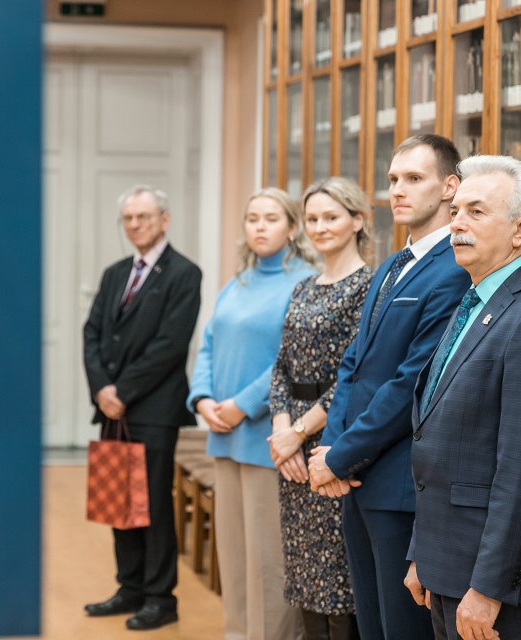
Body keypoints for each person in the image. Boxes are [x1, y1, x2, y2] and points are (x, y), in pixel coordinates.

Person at [403, 155, 521, 640]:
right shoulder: (475, 300)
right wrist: (423, 552)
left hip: (493, 580)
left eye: (476, 212)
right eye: (456, 210)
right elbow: (438, 441)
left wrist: (488, 588)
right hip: (447, 558)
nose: (457, 223)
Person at [308, 135, 471, 640]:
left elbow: (411, 385)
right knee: (371, 626)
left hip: (400, 483)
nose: (398, 191)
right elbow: (352, 364)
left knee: (402, 629)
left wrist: (339, 456)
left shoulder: (453, 270)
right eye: (393, 180)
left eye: (413, 179)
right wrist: (331, 445)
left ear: (450, 187)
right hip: (358, 476)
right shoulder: (393, 265)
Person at [188, 187, 317, 640]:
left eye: (271, 218)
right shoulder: (238, 281)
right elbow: (208, 343)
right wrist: (202, 399)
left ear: (292, 228)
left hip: (268, 435)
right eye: (252, 219)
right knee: (235, 555)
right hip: (223, 433)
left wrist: (242, 405)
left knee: (269, 560)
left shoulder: (304, 281)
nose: (260, 227)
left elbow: (289, 358)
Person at [82, 185, 201, 631]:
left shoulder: (184, 274)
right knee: (118, 498)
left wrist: (122, 391)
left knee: (150, 503)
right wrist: (101, 389)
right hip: (112, 407)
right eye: (129, 218)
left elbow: (170, 346)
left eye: (144, 217)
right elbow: (91, 332)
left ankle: (159, 597)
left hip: (152, 408)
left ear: (164, 220)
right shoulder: (116, 273)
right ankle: (128, 587)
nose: (135, 225)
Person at [269, 178, 373, 640]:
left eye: (331, 217)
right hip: (291, 451)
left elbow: (355, 378)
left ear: (357, 220)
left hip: (331, 446)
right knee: (304, 580)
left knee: (338, 581)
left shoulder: (369, 288)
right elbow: (281, 367)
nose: (320, 226)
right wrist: (281, 433)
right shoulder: (304, 286)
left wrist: (301, 434)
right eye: (312, 218)